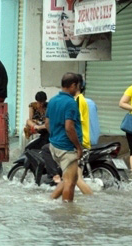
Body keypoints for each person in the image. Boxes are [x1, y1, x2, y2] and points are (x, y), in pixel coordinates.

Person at [46, 73, 83, 202]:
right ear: (73, 85)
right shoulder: (70, 103)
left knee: (68, 179)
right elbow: (69, 127)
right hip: (67, 148)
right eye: (77, 86)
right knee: (70, 182)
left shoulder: (53, 101)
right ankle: (67, 214)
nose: (78, 89)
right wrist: (78, 147)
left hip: (54, 146)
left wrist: (55, 136)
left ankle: (50, 200)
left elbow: (47, 123)